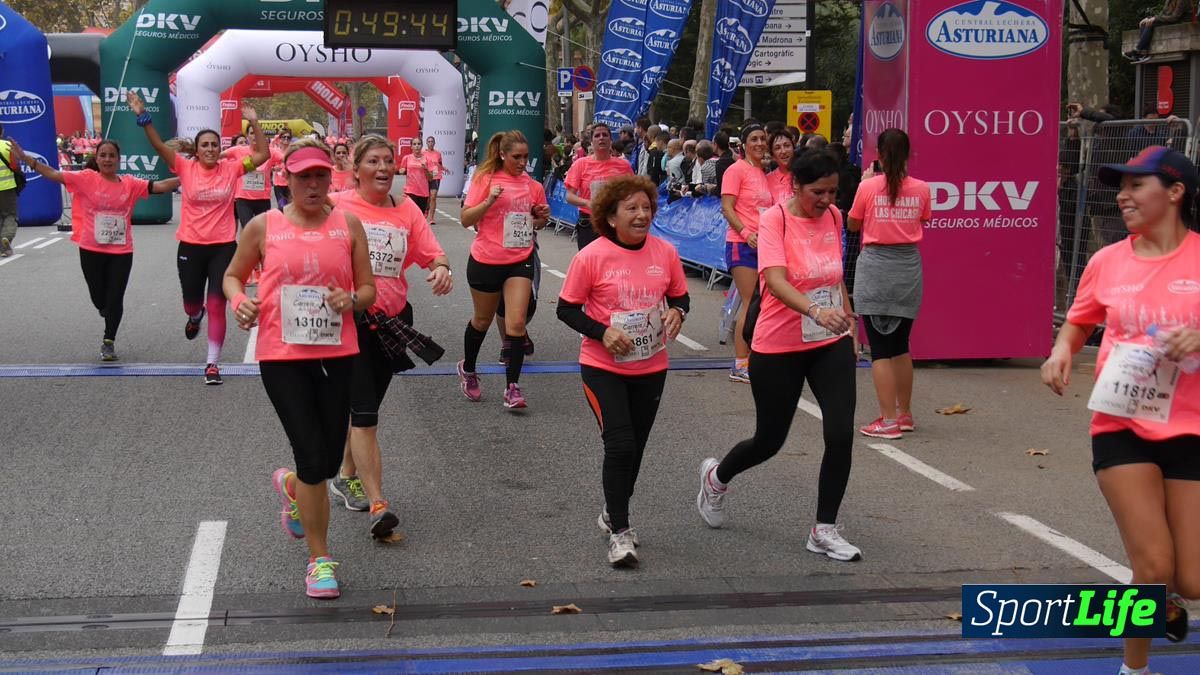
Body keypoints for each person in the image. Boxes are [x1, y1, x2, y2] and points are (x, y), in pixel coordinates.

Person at [1040, 145, 1199, 675]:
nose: (1123, 195)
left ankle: (1166, 602)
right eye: (1121, 186)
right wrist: (1062, 350)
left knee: (1192, 579)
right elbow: (1080, 319)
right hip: (1121, 423)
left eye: (1136, 185)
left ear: (1174, 192)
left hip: (1192, 427)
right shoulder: (1108, 260)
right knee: (1152, 565)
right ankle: (1135, 670)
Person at [223, 138, 376, 599]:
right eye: (303, 176)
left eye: (320, 175)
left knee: (327, 462)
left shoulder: (347, 225)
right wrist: (240, 301)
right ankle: (319, 559)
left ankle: (291, 487)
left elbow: (367, 289)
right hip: (282, 357)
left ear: (332, 178)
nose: (312, 184)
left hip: (338, 354)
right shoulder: (262, 226)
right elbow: (233, 275)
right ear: (285, 180)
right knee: (313, 457)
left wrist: (352, 300)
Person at [697, 149, 862, 562]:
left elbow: (834, 274)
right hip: (779, 344)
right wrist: (815, 310)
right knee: (770, 440)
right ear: (797, 186)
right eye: (817, 192)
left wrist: (846, 319)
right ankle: (717, 478)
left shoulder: (835, 217)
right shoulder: (776, 219)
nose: (826, 200)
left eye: (833, 191)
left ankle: (823, 529)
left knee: (840, 432)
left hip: (829, 342)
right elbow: (775, 280)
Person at [558, 175, 689, 567]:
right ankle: (620, 532)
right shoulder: (591, 256)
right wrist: (603, 332)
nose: (641, 215)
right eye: (631, 208)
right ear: (611, 217)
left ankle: (611, 510)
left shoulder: (665, 253)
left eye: (646, 207)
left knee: (636, 450)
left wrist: (676, 312)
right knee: (620, 446)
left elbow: (680, 296)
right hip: (602, 366)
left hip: (651, 366)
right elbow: (566, 309)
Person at [325, 135, 453, 537]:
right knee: (365, 415)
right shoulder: (337, 205)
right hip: (350, 322)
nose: (383, 169)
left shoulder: (407, 210)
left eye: (388, 161)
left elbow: (434, 252)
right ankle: (378, 503)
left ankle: (345, 474)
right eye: (374, 161)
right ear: (356, 168)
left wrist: (441, 268)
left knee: (365, 408)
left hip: (393, 320)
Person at [128, 91, 269, 384]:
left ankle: (212, 364)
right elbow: (156, 144)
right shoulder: (184, 167)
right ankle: (194, 316)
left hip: (222, 247)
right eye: (205, 145)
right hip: (191, 246)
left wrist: (254, 123)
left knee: (218, 304)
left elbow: (263, 155)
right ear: (198, 148)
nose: (210, 149)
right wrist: (143, 116)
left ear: (220, 148)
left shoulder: (231, 169)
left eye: (214, 145)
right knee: (192, 302)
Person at [10, 138, 179, 360]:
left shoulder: (130, 183)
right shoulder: (86, 179)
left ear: (119, 160)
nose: (107, 159)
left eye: (112, 156)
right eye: (103, 155)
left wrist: (191, 174)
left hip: (121, 251)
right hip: (91, 249)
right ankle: (104, 308)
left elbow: (161, 186)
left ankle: (109, 341)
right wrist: (27, 159)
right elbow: (53, 174)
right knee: (99, 298)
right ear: (96, 158)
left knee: (116, 297)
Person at [457, 130, 550, 408]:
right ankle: (469, 370)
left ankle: (513, 387)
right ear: (502, 154)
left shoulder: (532, 185)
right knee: (482, 321)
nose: (522, 162)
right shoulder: (485, 179)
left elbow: (538, 222)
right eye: (516, 157)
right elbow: (465, 219)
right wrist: (489, 201)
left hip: (519, 259)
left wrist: (541, 218)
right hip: (486, 260)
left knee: (517, 323)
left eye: (525, 157)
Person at [848, 129, 930, 439]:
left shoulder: (868, 187)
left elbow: (853, 223)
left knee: (879, 349)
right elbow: (923, 219)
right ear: (908, 154)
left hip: (876, 267)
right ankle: (905, 413)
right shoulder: (922, 189)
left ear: (879, 155)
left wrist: (865, 183)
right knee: (901, 345)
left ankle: (887, 419)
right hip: (908, 268)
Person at [721, 122, 773, 383]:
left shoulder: (762, 171)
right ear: (743, 144)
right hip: (741, 244)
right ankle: (740, 364)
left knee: (761, 303)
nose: (760, 143)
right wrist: (745, 233)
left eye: (763, 139)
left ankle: (754, 358)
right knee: (750, 302)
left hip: (764, 244)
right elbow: (727, 207)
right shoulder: (735, 170)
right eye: (754, 139)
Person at [564, 124, 634, 250]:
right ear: (591, 141)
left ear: (610, 140)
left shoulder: (624, 165)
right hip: (589, 221)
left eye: (605, 135)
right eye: (597, 135)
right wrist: (587, 203)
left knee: (614, 263)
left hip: (615, 221)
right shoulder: (581, 164)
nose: (601, 138)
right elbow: (569, 196)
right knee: (590, 264)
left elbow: (632, 193)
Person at [223, 127, 283, 229]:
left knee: (262, 231)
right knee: (248, 229)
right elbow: (218, 157)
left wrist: (283, 168)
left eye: (257, 133)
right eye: (251, 133)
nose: (255, 136)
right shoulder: (238, 150)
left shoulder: (270, 152)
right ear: (247, 136)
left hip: (263, 199)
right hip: (243, 200)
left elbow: (286, 158)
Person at [1124, 1, 1188, 63]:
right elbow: (1163, 14)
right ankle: (1143, 54)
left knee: (1151, 23)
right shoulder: (1169, 1)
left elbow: (1175, 18)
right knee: (1145, 23)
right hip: (1170, 21)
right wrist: (1150, 18)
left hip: (1181, 24)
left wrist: (1155, 19)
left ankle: (1137, 50)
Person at [398, 138, 434, 216]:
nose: (417, 146)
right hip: (410, 190)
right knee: (411, 214)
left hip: (423, 192)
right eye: (414, 144)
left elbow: (431, 178)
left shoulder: (427, 159)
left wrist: (425, 169)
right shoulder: (407, 158)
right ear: (411, 147)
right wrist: (401, 171)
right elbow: (402, 169)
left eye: (418, 144)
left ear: (422, 146)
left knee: (420, 216)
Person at [0, 123, 19, 257]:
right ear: (2, 132)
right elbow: (14, 166)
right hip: (7, 187)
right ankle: (6, 239)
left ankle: (3, 247)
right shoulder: (7, 146)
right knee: (10, 215)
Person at [766, 129, 796, 205]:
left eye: (787, 146)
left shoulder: (805, 174)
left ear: (794, 148)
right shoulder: (767, 180)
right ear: (772, 155)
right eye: (777, 148)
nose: (783, 151)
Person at [271, 130, 294, 208]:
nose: (286, 139)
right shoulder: (275, 151)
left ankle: (289, 220)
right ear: (280, 139)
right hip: (278, 184)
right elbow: (269, 165)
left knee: (291, 207)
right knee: (282, 206)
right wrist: (274, 168)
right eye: (284, 137)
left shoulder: (293, 151)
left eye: (288, 137)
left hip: (290, 183)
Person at [424, 136, 444, 225]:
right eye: (429, 141)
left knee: (433, 196)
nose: (430, 143)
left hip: (436, 176)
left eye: (432, 141)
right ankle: (426, 211)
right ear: (426, 143)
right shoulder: (423, 153)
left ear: (434, 143)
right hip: (425, 176)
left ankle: (431, 218)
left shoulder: (438, 153)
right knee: (427, 197)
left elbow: (440, 165)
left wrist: (437, 173)